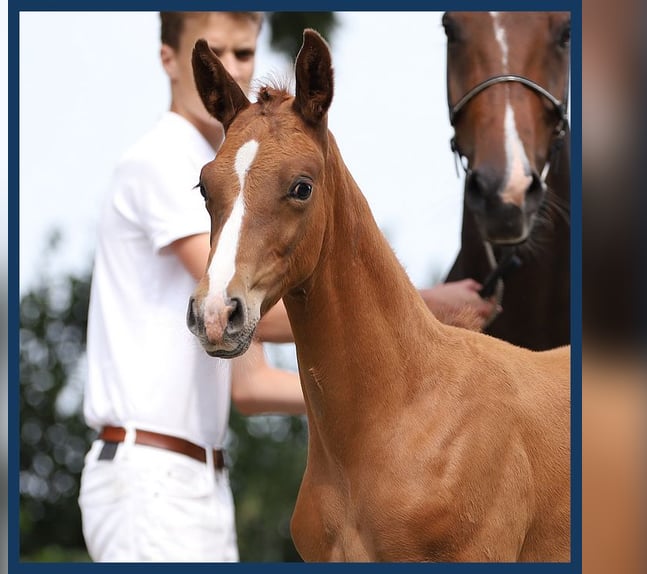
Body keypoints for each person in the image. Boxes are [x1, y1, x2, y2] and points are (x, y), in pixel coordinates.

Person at [78, 11, 497, 563]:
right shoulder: (164, 159)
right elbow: (237, 309)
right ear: (171, 61)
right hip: (150, 474)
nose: (233, 69)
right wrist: (422, 309)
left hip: (196, 478)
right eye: (217, 55)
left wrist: (388, 399)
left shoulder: (248, 185)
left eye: (245, 54)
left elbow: (249, 387)